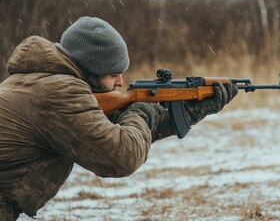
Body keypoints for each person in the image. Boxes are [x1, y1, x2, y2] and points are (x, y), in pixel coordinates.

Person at [0, 16, 238, 220]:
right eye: (114, 74)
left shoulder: (33, 80)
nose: (121, 82)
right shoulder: (62, 94)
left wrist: (186, 113)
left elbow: (122, 130)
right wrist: (139, 110)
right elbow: (122, 156)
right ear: (91, 68)